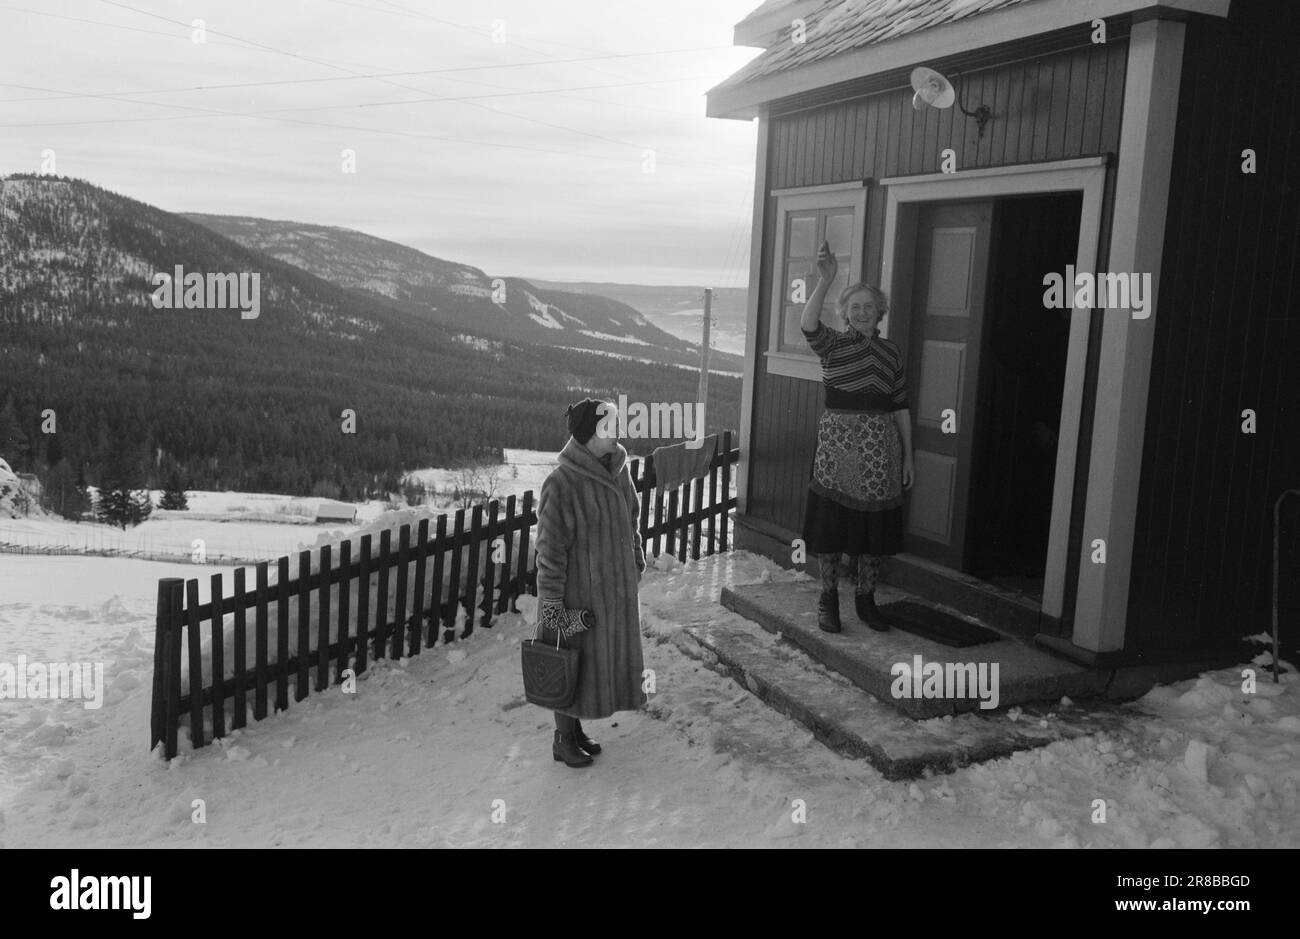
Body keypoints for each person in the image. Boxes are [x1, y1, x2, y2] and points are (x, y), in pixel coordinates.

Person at [799, 240, 914, 633]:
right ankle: (828, 599)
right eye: (855, 307)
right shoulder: (832, 345)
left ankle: (866, 600)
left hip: (881, 449)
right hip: (836, 448)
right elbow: (808, 324)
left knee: (872, 532)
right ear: (845, 313)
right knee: (831, 527)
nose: (863, 312)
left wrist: (909, 458)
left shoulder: (892, 353)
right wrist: (826, 280)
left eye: (869, 306)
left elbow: (900, 405)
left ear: (880, 312)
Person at [533, 397, 647, 768]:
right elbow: (549, 550)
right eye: (606, 426)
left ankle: (576, 731)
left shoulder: (619, 471)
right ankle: (562, 739)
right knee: (567, 661)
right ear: (586, 436)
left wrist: (636, 558)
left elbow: (632, 518)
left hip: (612, 591)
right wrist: (552, 604)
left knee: (591, 662)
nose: (615, 433)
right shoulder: (562, 483)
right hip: (574, 592)